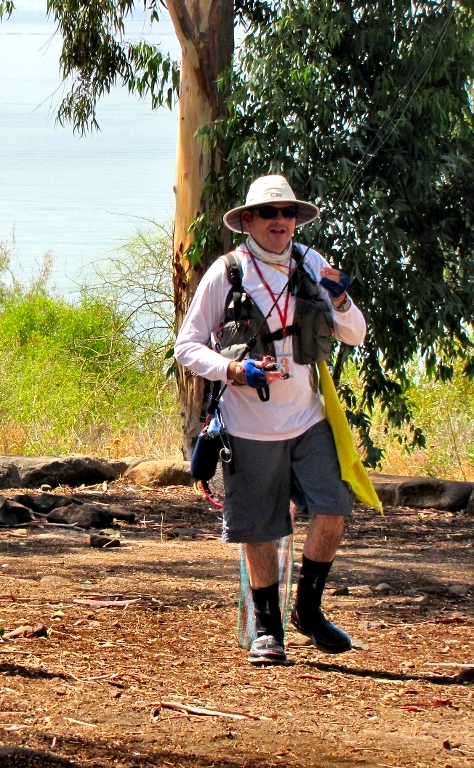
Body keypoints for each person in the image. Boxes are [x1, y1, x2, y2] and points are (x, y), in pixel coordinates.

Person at [174, 174, 367, 665]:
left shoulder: (311, 264)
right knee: (259, 526)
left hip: (308, 419)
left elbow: (355, 334)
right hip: (247, 426)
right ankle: (266, 628)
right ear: (249, 221)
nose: (279, 221)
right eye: (268, 213)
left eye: (287, 213)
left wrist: (341, 300)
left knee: (333, 505)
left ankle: (307, 608)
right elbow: (187, 345)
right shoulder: (227, 272)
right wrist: (233, 369)